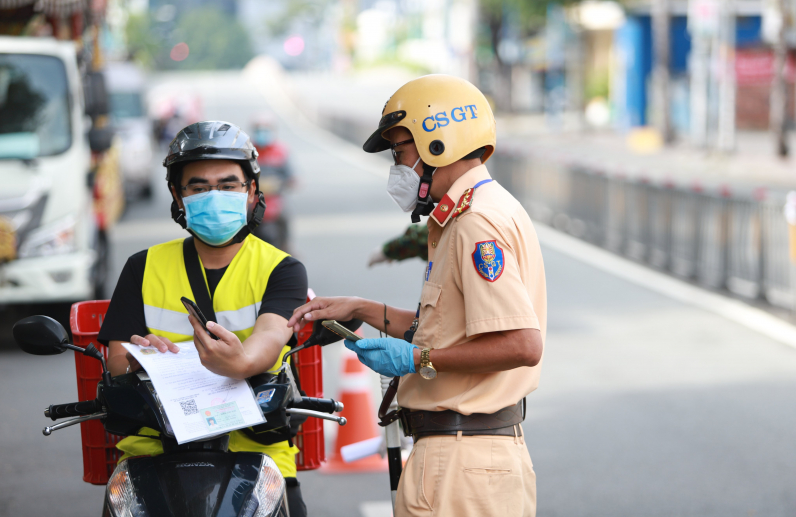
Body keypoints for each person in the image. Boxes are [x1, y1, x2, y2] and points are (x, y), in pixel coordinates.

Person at [289, 75, 546, 517]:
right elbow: (455, 327)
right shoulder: (476, 211)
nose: (398, 168)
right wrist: (363, 309)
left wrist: (418, 360)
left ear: (438, 144)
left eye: (401, 153)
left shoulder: (475, 223)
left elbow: (522, 344)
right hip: (469, 459)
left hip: (461, 463)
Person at [98, 121, 309, 516]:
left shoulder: (282, 269)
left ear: (251, 191)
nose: (214, 196)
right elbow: (115, 359)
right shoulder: (141, 267)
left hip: (257, 455)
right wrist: (136, 356)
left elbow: (267, 341)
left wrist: (242, 361)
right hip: (152, 453)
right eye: (198, 187)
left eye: (228, 185)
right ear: (177, 196)